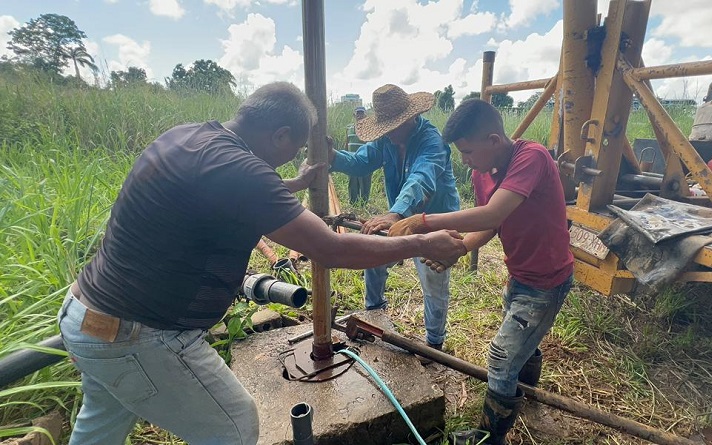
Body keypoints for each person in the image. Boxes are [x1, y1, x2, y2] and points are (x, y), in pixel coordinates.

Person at [57, 82, 467, 445]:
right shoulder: (244, 172)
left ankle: (433, 338)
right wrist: (420, 243)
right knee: (234, 427)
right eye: (293, 150)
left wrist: (296, 185)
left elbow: (238, 186)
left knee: (100, 429)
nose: (292, 159)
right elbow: (333, 249)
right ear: (280, 134)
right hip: (141, 335)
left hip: (86, 317)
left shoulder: (187, 138)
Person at [388, 99, 574, 445]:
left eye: (469, 151)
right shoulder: (482, 172)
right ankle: (527, 393)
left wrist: (422, 221)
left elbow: (491, 214)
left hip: (547, 281)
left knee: (502, 359)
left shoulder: (531, 157)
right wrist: (461, 247)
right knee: (523, 344)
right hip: (519, 274)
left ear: (494, 140)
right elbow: (493, 222)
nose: (465, 161)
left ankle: (491, 438)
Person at [328, 84, 460, 354]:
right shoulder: (386, 140)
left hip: (434, 221)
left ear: (411, 118)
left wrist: (395, 213)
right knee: (374, 255)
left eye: (393, 127)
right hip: (398, 218)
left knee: (433, 282)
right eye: (384, 129)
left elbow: (421, 179)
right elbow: (360, 162)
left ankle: (434, 345)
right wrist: (332, 157)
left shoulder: (431, 140)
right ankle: (374, 313)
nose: (388, 134)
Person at [345, 106, 371, 204]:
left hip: (365, 160)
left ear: (365, 115)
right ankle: (353, 203)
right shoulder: (349, 128)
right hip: (351, 159)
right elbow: (346, 143)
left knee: (365, 182)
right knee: (353, 182)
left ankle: (363, 204)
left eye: (362, 113)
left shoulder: (369, 129)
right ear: (354, 115)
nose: (360, 116)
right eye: (358, 113)